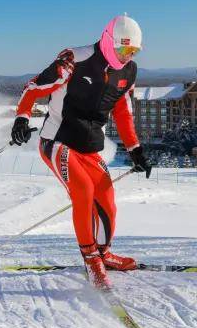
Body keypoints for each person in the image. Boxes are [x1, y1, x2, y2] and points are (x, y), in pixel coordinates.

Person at [10, 15, 152, 290]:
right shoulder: (75, 58)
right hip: (58, 140)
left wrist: (135, 149)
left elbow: (123, 111)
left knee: (107, 198)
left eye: (132, 52)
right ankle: (91, 260)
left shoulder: (129, 71)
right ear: (109, 41)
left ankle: (103, 253)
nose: (126, 56)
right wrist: (22, 118)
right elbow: (34, 87)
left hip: (89, 146)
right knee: (83, 191)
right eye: (123, 49)